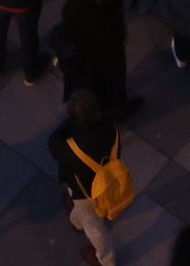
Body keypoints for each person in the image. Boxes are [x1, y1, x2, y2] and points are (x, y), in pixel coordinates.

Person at [51, 91, 128, 264]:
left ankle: (107, 260)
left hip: (86, 193)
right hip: (110, 179)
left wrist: (72, 120)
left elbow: (52, 142)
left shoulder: (71, 147)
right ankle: (76, 221)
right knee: (85, 214)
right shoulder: (111, 127)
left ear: (74, 119)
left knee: (94, 227)